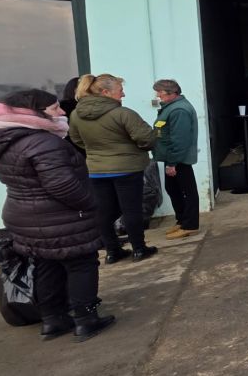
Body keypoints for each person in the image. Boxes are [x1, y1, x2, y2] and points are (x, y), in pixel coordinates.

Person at [0, 89, 116, 341]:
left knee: (46, 265)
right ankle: (86, 319)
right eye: (55, 108)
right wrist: (90, 203)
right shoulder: (44, 142)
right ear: (35, 113)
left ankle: (52, 320)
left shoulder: (7, 139)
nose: (62, 112)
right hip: (58, 217)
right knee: (81, 264)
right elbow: (62, 186)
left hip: (24, 216)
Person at [68, 74, 157, 263]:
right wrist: (135, 149)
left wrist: (97, 152)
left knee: (104, 212)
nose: (123, 94)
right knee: (131, 210)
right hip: (127, 169)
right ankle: (139, 249)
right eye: (120, 90)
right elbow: (147, 138)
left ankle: (112, 251)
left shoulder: (76, 115)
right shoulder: (123, 114)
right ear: (105, 92)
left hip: (97, 171)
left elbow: (76, 140)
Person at [152, 79, 199, 240]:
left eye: (160, 92)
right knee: (173, 189)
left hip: (179, 159)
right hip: (172, 156)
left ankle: (190, 225)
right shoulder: (171, 107)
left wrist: (172, 163)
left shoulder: (179, 110)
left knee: (187, 191)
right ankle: (182, 220)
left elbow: (180, 140)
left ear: (172, 93)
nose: (158, 95)